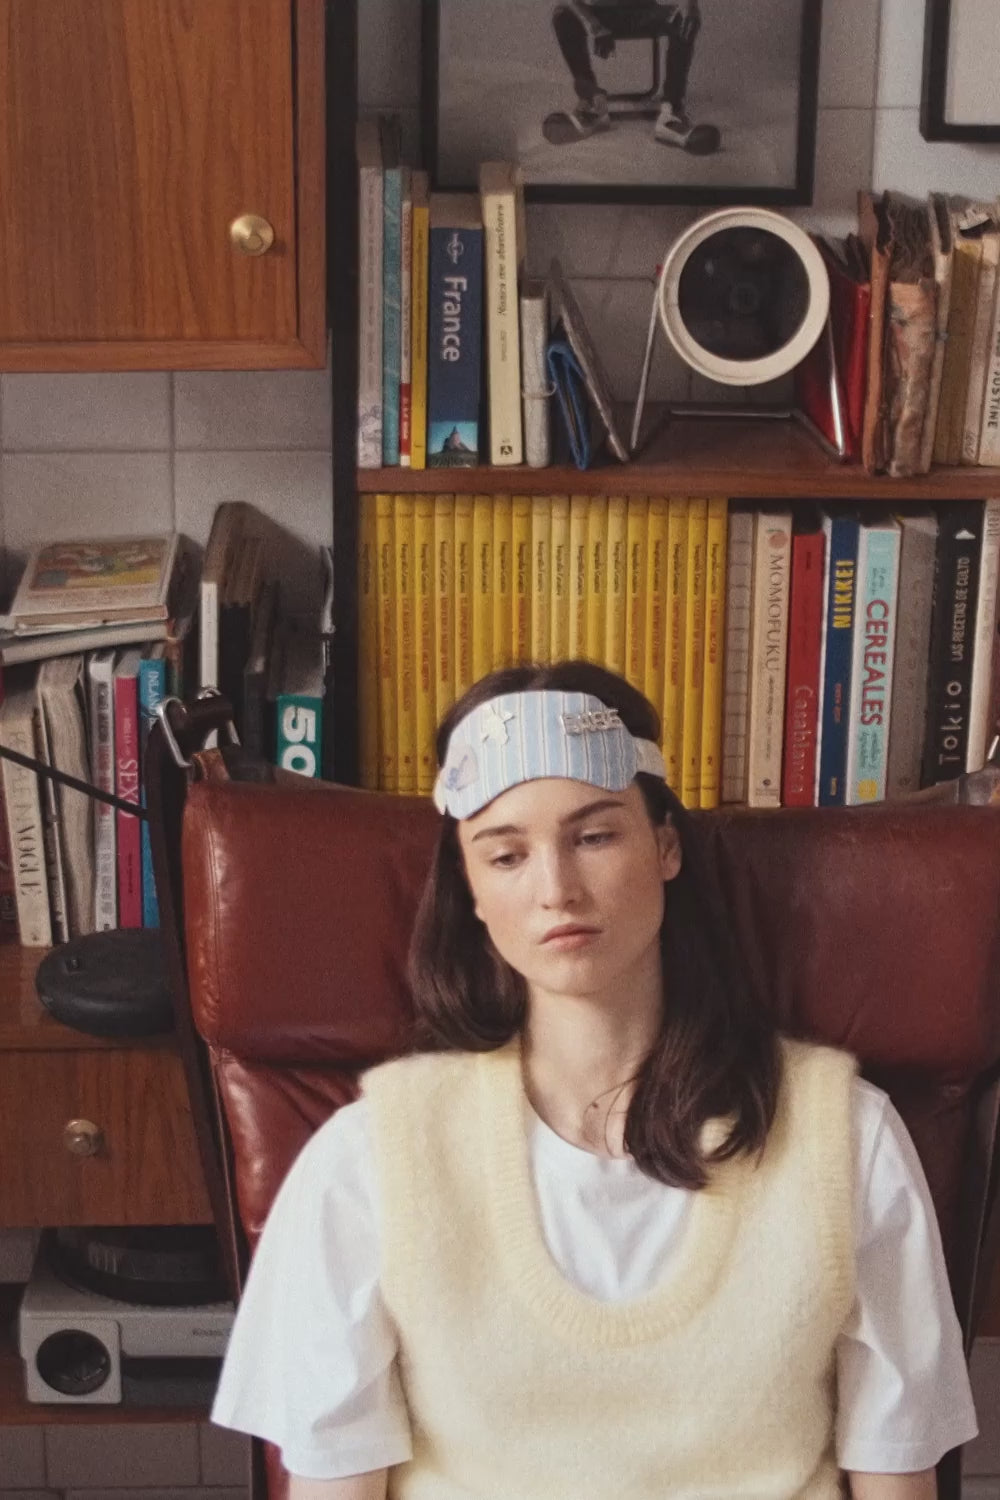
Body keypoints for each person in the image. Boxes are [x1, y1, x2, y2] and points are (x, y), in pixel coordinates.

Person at [212, 660, 978, 1499]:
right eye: (507, 855)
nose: (557, 890)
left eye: (594, 837)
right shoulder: (369, 1160)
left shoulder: (846, 1138)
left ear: (666, 846)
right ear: (470, 890)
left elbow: (897, 1474)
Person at [549, 0, 717, 151]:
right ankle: (591, 103)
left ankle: (671, 112)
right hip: (600, 15)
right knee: (563, 15)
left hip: (644, 12)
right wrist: (594, 26)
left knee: (686, 16)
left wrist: (690, 4)